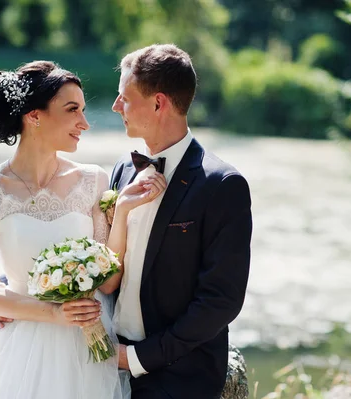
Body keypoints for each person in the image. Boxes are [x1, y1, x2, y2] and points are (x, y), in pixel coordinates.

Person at [0, 60, 166, 399]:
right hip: (15, 350)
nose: (85, 123)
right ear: (34, 116)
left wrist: (120, 212)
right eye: (72, 110)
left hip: (86, 350)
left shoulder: (93, 180)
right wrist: (52, 313)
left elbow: (108, 281)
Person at [106, 44, 253, 398]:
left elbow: (221, 300)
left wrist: (138, 358)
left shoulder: (222, 185)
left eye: (124, 97)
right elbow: (100, 259)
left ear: (159, 104)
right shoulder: (122, 170)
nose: (115, 106)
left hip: (178, 374)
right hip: (106, 363)